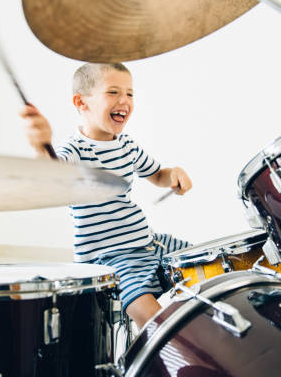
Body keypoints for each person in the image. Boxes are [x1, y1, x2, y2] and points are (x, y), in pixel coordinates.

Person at [20, 62, 192, 328]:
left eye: (130, 93)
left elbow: (158, 174)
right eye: (113, 92)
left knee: (214, 271)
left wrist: (174, 175)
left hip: (151, 243)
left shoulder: (126, 145)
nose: (124, 100)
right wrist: (42, 145)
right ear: (81, 102)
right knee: (157, 321)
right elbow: (53, 173)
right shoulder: (75, 150)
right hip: (110, 258)